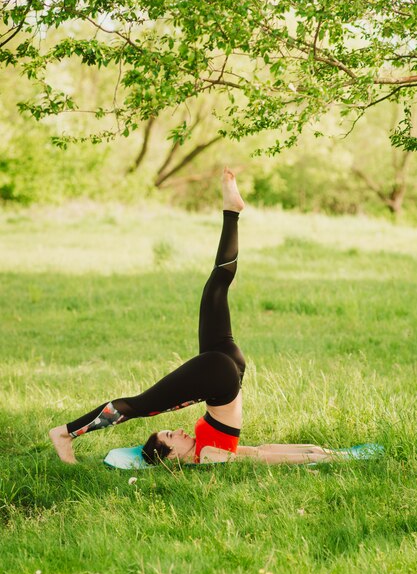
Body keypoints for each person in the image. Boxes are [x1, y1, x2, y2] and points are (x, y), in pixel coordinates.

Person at [50, 168, 381, 467]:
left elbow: (260, 449)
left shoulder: (203, 451)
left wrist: (317, 451)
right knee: (138, 405)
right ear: (174, 458)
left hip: (224, 368)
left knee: (216, 287)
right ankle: (65, 434)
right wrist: (323, 457)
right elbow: (265, 458)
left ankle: (231, 212)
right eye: (170, 437)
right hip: (220, 375)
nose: (177, 431)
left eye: (169, 433)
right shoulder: (207, 457)